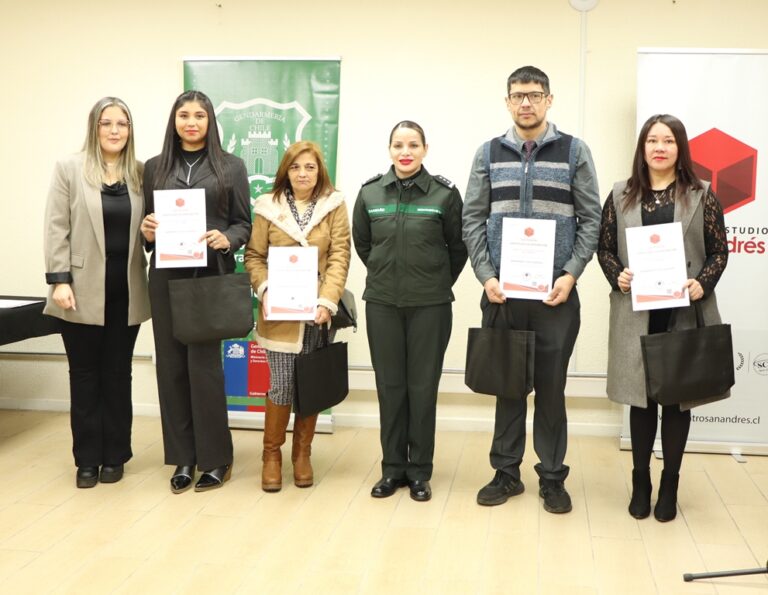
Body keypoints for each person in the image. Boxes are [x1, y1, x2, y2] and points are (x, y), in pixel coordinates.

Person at [462, 66, 601, 513]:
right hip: (503, 293)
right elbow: (472, 219)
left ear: (549, 99)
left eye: (535, 94)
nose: (526, 102)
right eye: (518, 95)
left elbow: (591, 218)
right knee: (507, 385)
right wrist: (486, 276)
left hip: (554, 295)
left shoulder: (575, 151)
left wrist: (571, 274)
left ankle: (552, 477)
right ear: (507, 101)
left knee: (551, 388)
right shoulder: (487, 153)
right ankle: (506, 473)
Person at [598, 114, 728, 522]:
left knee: (675, 401)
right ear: (642, 148)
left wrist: (701, 283)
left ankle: (670, 483)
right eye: (652, 140)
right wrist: (616, 273)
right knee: (641, 402)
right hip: (636, 310)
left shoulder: (702, 195)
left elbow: (719, 250)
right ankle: (641, 482)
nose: (659, 147)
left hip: (682, 309)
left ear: (680, 148)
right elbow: (605, 249)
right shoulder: (620, 194)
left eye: (668, 141)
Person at [141, 90, 251, 493]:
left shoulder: (231, 167)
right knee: (170, 368)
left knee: (203, 370)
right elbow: (145, 228)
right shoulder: (154, 168)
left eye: (199, 115)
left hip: (207, 276)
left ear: (210, 122)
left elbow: (244, 223)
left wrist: (228, 238)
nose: (191, 122)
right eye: (184, 115)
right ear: (174, 121)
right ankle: (183, 458)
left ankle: (215, 458)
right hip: (166, 277)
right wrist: (146, 232)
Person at [353, 121, 467, 502]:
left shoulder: (445, 195)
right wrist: (390, 276)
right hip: (383, 303)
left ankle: (419, 471)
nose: (406, 151)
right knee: (390, 388)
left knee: (421, 389)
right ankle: (392, 469)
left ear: (425, 149)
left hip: (430, 306)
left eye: (413, 145)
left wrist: (432, 283)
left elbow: (458, 248)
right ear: (389, 150)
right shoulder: (370, 193)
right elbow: (364, 245)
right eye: (399, 145)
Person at [43, 97, 150, 488]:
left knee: (118, 375)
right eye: (107, 123)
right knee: (85, 376)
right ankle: (86, 459)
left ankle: (115, 456)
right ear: (94, 127)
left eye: (123, 123)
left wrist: (154, 236)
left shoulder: (140, 173)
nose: (115, 130)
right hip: (80, 290)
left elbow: (149, 233)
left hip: (127, 290)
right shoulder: (69, 169)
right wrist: (59, 280)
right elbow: (57, 225)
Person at [244, 141, 350, 492]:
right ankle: (271, 454)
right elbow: (254, 257)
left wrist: (327, 301)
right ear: (285, 171)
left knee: (310, 386)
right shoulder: (267, 208)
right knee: (282, 384)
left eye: (310, 167)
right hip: (279, 314)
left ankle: (302, 453)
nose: (303, 174)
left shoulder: (334, 205)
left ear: (320, 171)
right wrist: (267, 290)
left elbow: (339, 257)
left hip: (317, 315)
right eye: (295, 167)